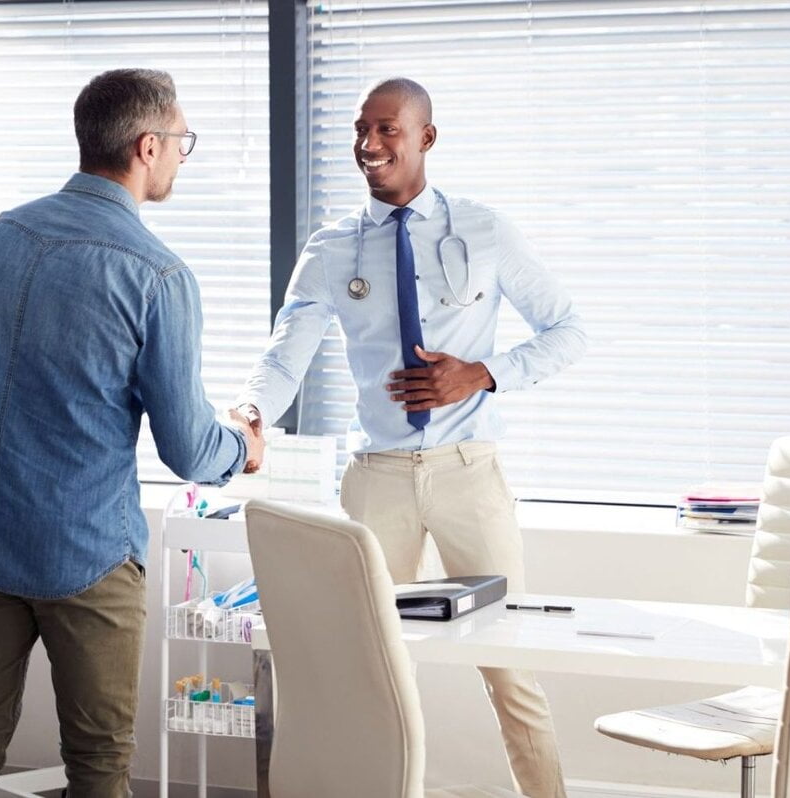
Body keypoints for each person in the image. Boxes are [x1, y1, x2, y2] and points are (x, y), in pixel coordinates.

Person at [0, 68, 263, 797]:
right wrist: (244, 448)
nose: (182, 156)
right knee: (98, 764)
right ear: (147, 146)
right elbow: (188, 447)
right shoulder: (156, 274)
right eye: (182, 141)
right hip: (87, 554)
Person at [236, 77, 585, 798]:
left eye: (388, 128)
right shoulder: (333, 247)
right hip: (379, 478)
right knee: (369, 675)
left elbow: (568, 332)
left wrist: (482, 374)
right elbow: (286, 353)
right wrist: (250, 411)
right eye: (362, 129)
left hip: (469, 471)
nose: (369, 143)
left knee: (510, 669)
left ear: (426, 136)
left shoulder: (483, 230)